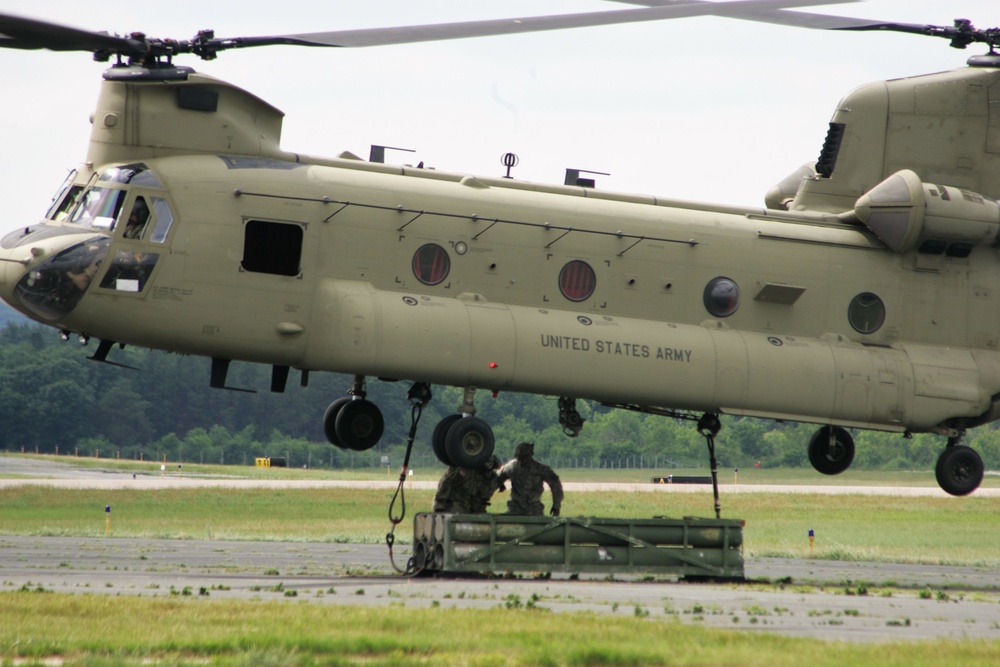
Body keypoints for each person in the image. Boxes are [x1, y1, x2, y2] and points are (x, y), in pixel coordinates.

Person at [497, 442, 563, 517]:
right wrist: (500, 484)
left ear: (530, 455)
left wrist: (556, 506)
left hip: (534, 509)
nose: (521, 459)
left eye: (524, 457)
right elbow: (498, 478)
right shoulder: (511, 468)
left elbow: (556, 485)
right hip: (515, 509)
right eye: (519, 456)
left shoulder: (540, 469)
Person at [433, 455, 505, 513]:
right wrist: (439, 505)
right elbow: (445, 484)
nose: (485, 471)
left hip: (473, 506)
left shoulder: (491, 477)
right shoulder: (461, 468)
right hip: (456, 503)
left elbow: (482, 494)